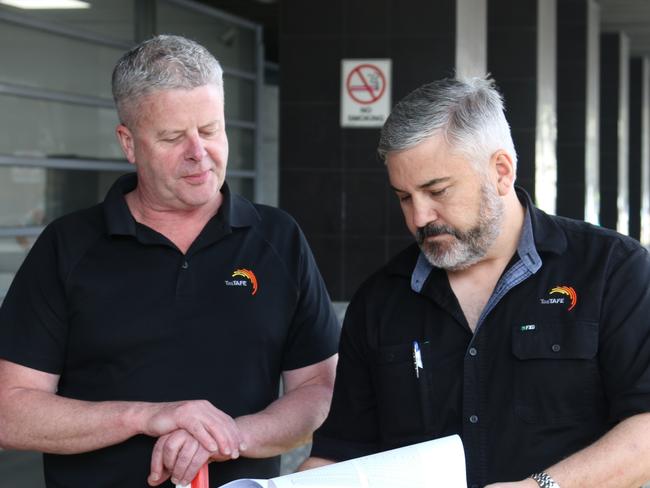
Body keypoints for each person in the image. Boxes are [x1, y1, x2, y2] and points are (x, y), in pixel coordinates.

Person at [0, 35, 339, 488]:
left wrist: (229, 436)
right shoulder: (68, 246)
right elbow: (9, 412)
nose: (198, 153)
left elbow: (319, 388)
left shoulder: (278, 240)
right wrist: (147, 417)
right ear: (129, 143)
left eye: (211, 129)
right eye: (173, 137)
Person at [300, 77, 650, 488]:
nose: (419, 217)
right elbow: (341, 452)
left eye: (437, 191)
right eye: (404, 197)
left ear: (501, 172)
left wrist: (543, 487)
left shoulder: (611, 269)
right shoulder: (380, 300)